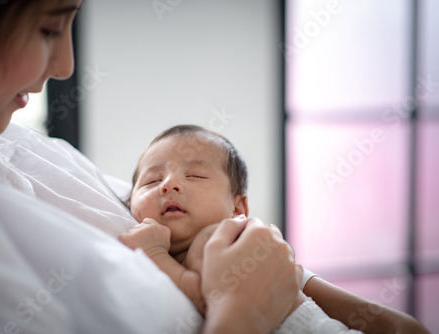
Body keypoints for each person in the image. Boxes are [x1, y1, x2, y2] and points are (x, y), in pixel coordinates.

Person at [0, 1, 310, 333]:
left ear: (239, 206)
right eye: (49, 28)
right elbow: (215, 296)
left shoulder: (28, 144)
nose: (67, 65)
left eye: (195, 174)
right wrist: (243, 314)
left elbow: (298, 278)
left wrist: (365, 314)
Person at [120, 124, 430, 334]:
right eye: (151, 181)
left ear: (238, 208)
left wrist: (154, 252)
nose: (169, 185)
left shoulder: (225, 240)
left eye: (196, 176)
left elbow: (203, 299)